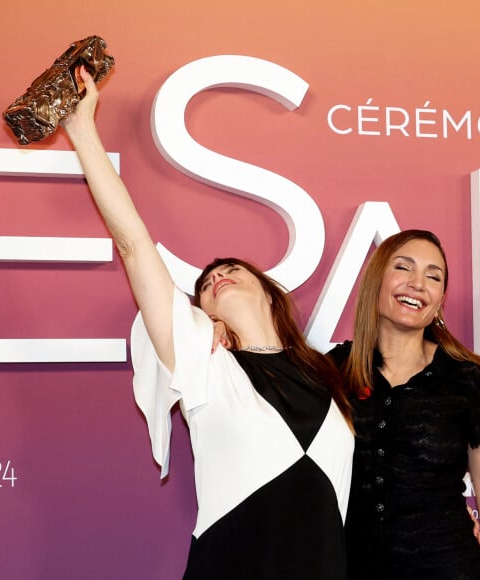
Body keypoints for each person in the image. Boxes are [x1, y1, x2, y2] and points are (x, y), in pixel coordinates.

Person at [62, 67, 354, 580]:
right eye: (206, 283)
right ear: (203, 312)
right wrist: (83, 130)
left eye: (232, 270)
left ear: (269, 290)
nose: (218, 275)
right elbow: (133, 245)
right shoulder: (203, 360)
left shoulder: (329, 373)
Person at [329, 229, 480, 580]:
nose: (417, 283)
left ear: (440, 298)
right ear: (376, 280)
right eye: (403, 268)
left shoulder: (471, 379)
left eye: (433, 276)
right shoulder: (332, 371)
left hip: (450, 566)